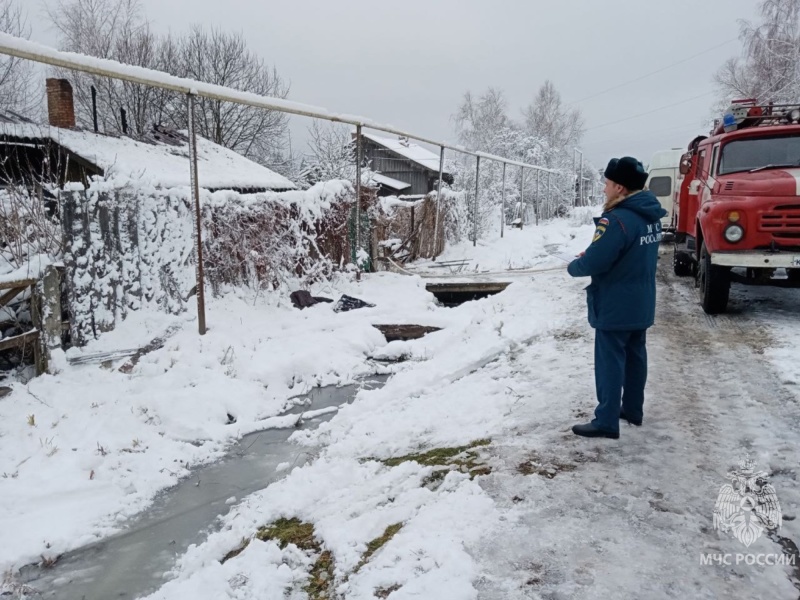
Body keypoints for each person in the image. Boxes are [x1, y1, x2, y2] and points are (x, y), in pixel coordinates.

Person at [567, 156, 667, 439]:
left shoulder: (617, 220)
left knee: (610, 360)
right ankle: (633, 410)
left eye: (607, 184)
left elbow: (595, 262)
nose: (604, 190)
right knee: (636, 357)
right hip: (641, 302)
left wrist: (575, 266)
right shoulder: (651, 217)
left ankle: (606, 420)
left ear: (620, 187)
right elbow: (627, 253)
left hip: (615, 304)